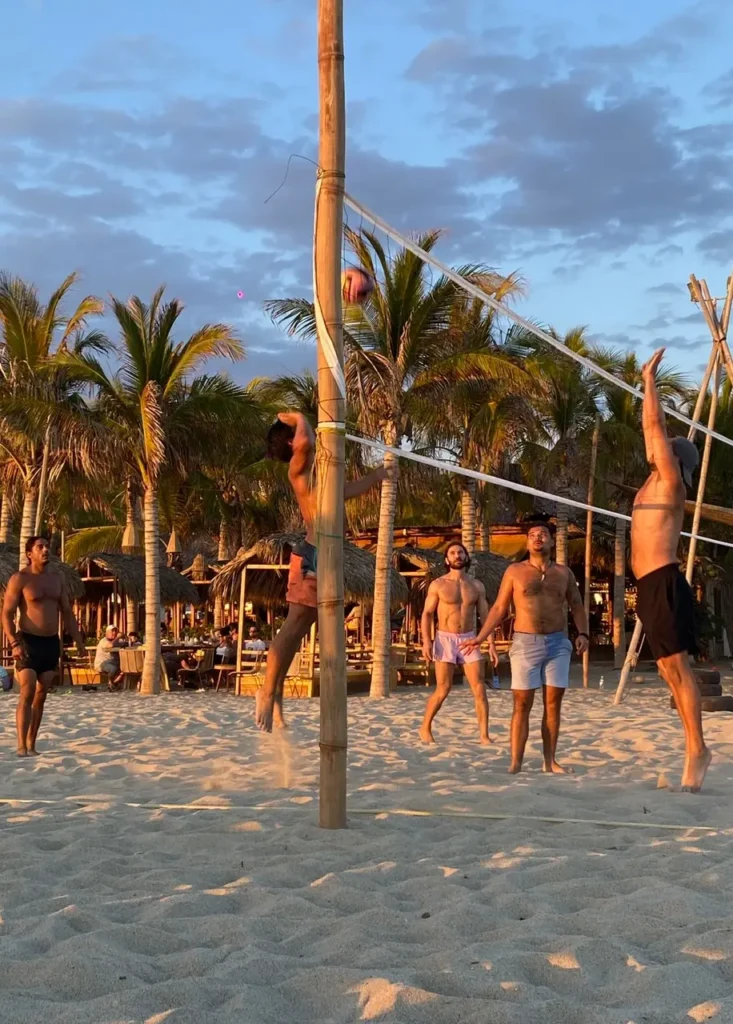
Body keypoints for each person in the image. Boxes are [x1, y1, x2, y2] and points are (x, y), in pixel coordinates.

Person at [255, 411, 389, 731]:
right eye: (298, 433)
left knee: (300, 631)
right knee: (293, 627)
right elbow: (304, 441)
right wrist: (299, 416)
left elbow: (349, 490)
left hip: (327, 555)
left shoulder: (321, 479)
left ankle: (276, 699)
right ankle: (266, 691)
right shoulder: (297, 469)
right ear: (290, 440)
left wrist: (381, 474)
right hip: (312, 555)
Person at [631, 347, 710, 792]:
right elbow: (650, 439)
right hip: (647, 586)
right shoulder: (652, 483)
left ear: (674, 458)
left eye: (664, 450)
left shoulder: (672, 481)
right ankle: (691, 745)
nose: (655, 450)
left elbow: (653, 427)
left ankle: (698, 748)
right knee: (666, 671)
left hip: (663, 582)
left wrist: (648, 380)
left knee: (678, 670)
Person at [462, 523, 589, 774]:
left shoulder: (564, 573)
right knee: (522, 703)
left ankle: (550, 761)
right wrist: (480, 637)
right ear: (527, 543)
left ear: (552, 542)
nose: (537, 538)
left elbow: (576, 604)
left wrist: (583, 633)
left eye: (542, 534)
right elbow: (499, 607)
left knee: (553, 703)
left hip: (557, 643)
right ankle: (515, 763)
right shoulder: (515, 571)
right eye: (532, 535)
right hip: (525, 642)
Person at [2, 536, 85, 756]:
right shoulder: (20, 579)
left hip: (50, 643)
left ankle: (32, 744)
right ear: (30, 554)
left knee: (41, 694)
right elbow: (7, 613)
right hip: (28, 641)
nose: (46, 549)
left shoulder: (57, 579)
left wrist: (77, 639)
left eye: (47, 546)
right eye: (41, 547)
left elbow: (67, 612)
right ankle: (20, 745)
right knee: (27, 692)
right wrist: (14, 642)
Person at [419, 541, 495, 745]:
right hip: (445, 638)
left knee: (479, 688)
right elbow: (426, 614)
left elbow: (486, 616)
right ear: (447, 559)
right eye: (453, 553)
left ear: (466, 557)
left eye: (460, 552)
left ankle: (484, 735)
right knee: (443, 688)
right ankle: (425, 727)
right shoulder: (438, 584)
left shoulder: (476, 585)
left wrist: (491, 644)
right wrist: (427, 641)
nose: (457, 555)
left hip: (469, 639)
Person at [94, 625, 123, 689]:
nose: (114, 633)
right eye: (112, 631)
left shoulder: (116, 641)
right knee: (113, 668)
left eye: (115, 631)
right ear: (107, 633)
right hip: (102, 663)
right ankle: (110, 682)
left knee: (125, 668)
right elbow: (110, 646)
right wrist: (117, 638)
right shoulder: (103, 641)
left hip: (113, 662)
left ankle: (113, 683)